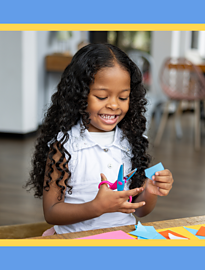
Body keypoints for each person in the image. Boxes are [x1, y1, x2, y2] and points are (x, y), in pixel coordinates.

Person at [26, 43, 174, 235]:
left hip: (123, 236)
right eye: (102, 96)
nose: (113, 105)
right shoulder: (65, 147)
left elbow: (139, 210)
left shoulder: (129, 142)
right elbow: (52, 213)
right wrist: (97, 207)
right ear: (80, 95)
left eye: (123, 98)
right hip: (77, 241)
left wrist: (150, 191)